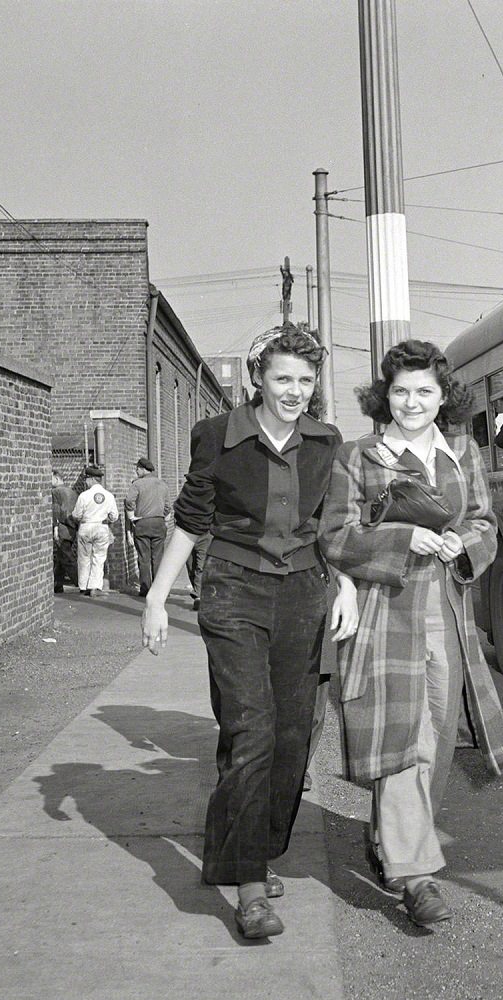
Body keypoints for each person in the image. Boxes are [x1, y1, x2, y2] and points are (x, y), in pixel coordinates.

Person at [140, 324, 358, 941]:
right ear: (258, 376)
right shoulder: (217, 436)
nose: (294, 391)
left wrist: (343, 584)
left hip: (302, 594)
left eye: (306, 380)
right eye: (283, 378)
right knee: (251, 730)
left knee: (292, 736)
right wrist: (157, 599)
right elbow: (190, 520)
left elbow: (325, 525)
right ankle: (250, 885)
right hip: (233, 589)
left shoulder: (325, 441)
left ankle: (236, 851)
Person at [319, 339, 503, 929]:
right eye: (400, 390)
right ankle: (415, 874)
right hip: (386, 610)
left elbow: (485, 521)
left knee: (439, 735)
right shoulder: (360, 456)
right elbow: (334, 535)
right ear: (385, 395)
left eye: (424, 390)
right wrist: (403, 539)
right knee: (404, 734)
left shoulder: (463, 452)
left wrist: (465, 545)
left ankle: (391, 839)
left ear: (442, 395)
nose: (411, 402)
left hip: (447, 609)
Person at [124, 456, 172, 597]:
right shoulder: (163, 484)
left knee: (144, 557)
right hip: (158, 523)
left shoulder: (137, 484)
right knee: (158, 557)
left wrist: (132, 516)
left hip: (143, 523)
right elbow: (168, 506)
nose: (136, 471)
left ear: (144, 469)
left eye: (137, 468)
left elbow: (129, 501)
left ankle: (145, 589)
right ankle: (160, 590)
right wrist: (162, 517)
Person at [71, 465, 119, 598]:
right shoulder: (109, 496)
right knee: (99, 558)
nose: (86, 482)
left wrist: (82, 517)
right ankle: (94, 586)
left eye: (86, 479)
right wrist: (106, 518)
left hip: (86, 527)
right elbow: (114, 516)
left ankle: (83, 586)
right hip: (101, 527)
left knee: (84, 558)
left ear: (92, 479)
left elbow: (76, 514)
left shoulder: (84, 495)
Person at [51, 469, 78, 594]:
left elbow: (55, 511)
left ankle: (80, 583)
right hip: (72, 528)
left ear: (56, 478)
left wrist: (55, 528)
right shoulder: (72, 492)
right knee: (61, 558)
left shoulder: (55, 492)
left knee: (66, 557)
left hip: (62, 528)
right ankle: (57, 585)